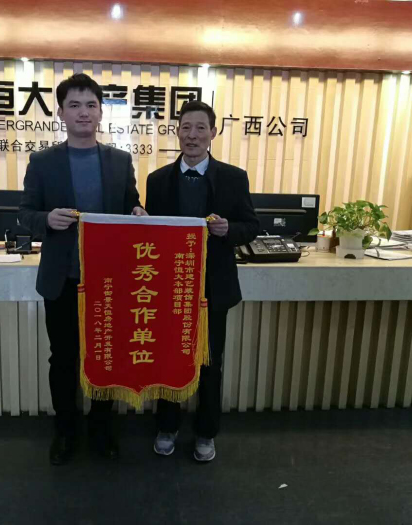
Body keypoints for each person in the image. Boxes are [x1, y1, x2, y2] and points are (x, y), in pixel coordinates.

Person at [18, 73, 146, 466]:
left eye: (91, 105)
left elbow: (130, 203)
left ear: (101, 112)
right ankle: (65, 430)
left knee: (107, 357)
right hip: (63, 278)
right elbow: (25, 214)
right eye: (74, 105)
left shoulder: (120, 160)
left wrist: (137, 212)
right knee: (63, 358)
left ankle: (102, 429)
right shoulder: (43, 162)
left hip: (109, 280)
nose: (83, 112)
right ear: (61, 113)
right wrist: (45, 219)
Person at [145, 100, 259, 462]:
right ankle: (167, 426)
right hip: (169, 287)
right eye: (186, 127)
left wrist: (228, 230)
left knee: (210, 364)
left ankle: (206, 433)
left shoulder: (234, 177)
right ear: (177, 131)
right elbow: (153, 234)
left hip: (214, 288)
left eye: (200, 128)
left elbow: (251, 227)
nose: (192, 135)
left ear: (213, 132)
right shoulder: (157, 180)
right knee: (168, 360)